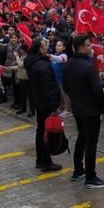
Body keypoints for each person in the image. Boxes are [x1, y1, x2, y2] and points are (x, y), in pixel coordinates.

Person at [62, 35, 104, 189]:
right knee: (91, 144)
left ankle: (78, 170)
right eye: (88, 45)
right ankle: (91, 177)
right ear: (81, 48)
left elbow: (66, 88)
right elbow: (97, 91)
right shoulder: (89, 67)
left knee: (81, 138)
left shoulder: (68, 64)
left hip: (78, 109)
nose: (91, 48)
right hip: (91, 111)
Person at [25, 38, 62, 172]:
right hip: (45, 104)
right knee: (46, 132)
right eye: (45, 46)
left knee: (40, 130)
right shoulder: (43, 66)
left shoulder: (31, 62)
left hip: (37, 101)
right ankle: (46, 162)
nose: (47, 48)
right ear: (40, 49)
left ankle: (40, 159)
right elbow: (48, 89)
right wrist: (54, 106)